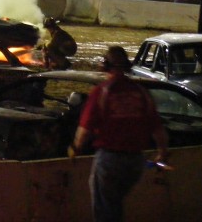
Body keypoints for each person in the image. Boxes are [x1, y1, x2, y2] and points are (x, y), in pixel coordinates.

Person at [69, 46, 169, 222]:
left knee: (105, 210)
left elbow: (85, 129)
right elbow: (157, 128)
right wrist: (162, 153)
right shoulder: (141, 93)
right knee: (114, 205)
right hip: (136, 162)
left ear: (105, 65)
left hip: (110, 160)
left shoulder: (103, 91)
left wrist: (75, 148)